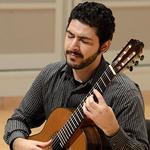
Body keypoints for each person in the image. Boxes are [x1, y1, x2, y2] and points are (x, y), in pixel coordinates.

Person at [4, 1, 150, 150]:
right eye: (70, 36)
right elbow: (19, 118)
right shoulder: (50, 75)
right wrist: (17, 142)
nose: (73, 46)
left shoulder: (125, 93)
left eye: (84, 40)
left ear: (104, 46)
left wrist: (113, 131)